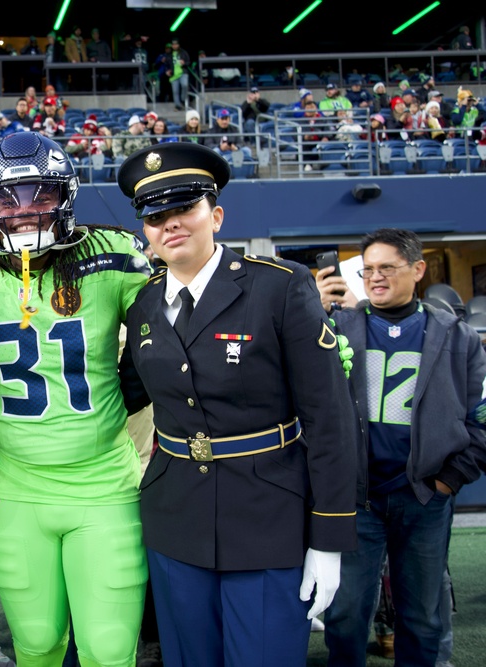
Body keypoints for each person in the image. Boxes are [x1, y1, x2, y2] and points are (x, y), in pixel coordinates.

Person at [115, 142, 357, 667]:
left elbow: (330, 420)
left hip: (269, 516)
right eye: (156, 216)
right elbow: (125, 398)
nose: (171, 223)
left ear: (216, 215)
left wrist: (330, 537)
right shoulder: (141, 306)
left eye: (185, 208)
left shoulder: (280, 288)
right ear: (146, 234)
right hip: (175, 520)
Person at [0, 133, 151, 666]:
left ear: (67, 196)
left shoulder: (114, 255)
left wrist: (132, 387)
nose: (23, 212)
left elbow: (171, 327)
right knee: (35, 644)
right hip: (16, 487)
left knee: (108, 649)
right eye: (7, 199)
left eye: (39, 194)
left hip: (105, 480)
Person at [318, 229, 486, 667]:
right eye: (368, 268)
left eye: (386, 268)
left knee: (425, 616)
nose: (375, 277)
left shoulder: (458, 338)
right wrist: (310, 312)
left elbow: (481, 419)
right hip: (359, 499)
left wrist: (449, 479)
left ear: (417, 270)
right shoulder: (336, 328)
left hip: (424, 497)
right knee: (346, 613)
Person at [169, 38, 191, 110]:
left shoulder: (183, 52)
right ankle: (177, 105)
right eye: (173, 45)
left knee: (185, 85)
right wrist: (167, 71)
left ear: (179, 45)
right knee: (175, 91)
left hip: (183, 72)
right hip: (174, 75)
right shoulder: (169, 54)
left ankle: (182, 100)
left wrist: (184, 63)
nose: (175, 46)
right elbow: (166, 64)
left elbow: (188, 62)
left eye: (176, 44)